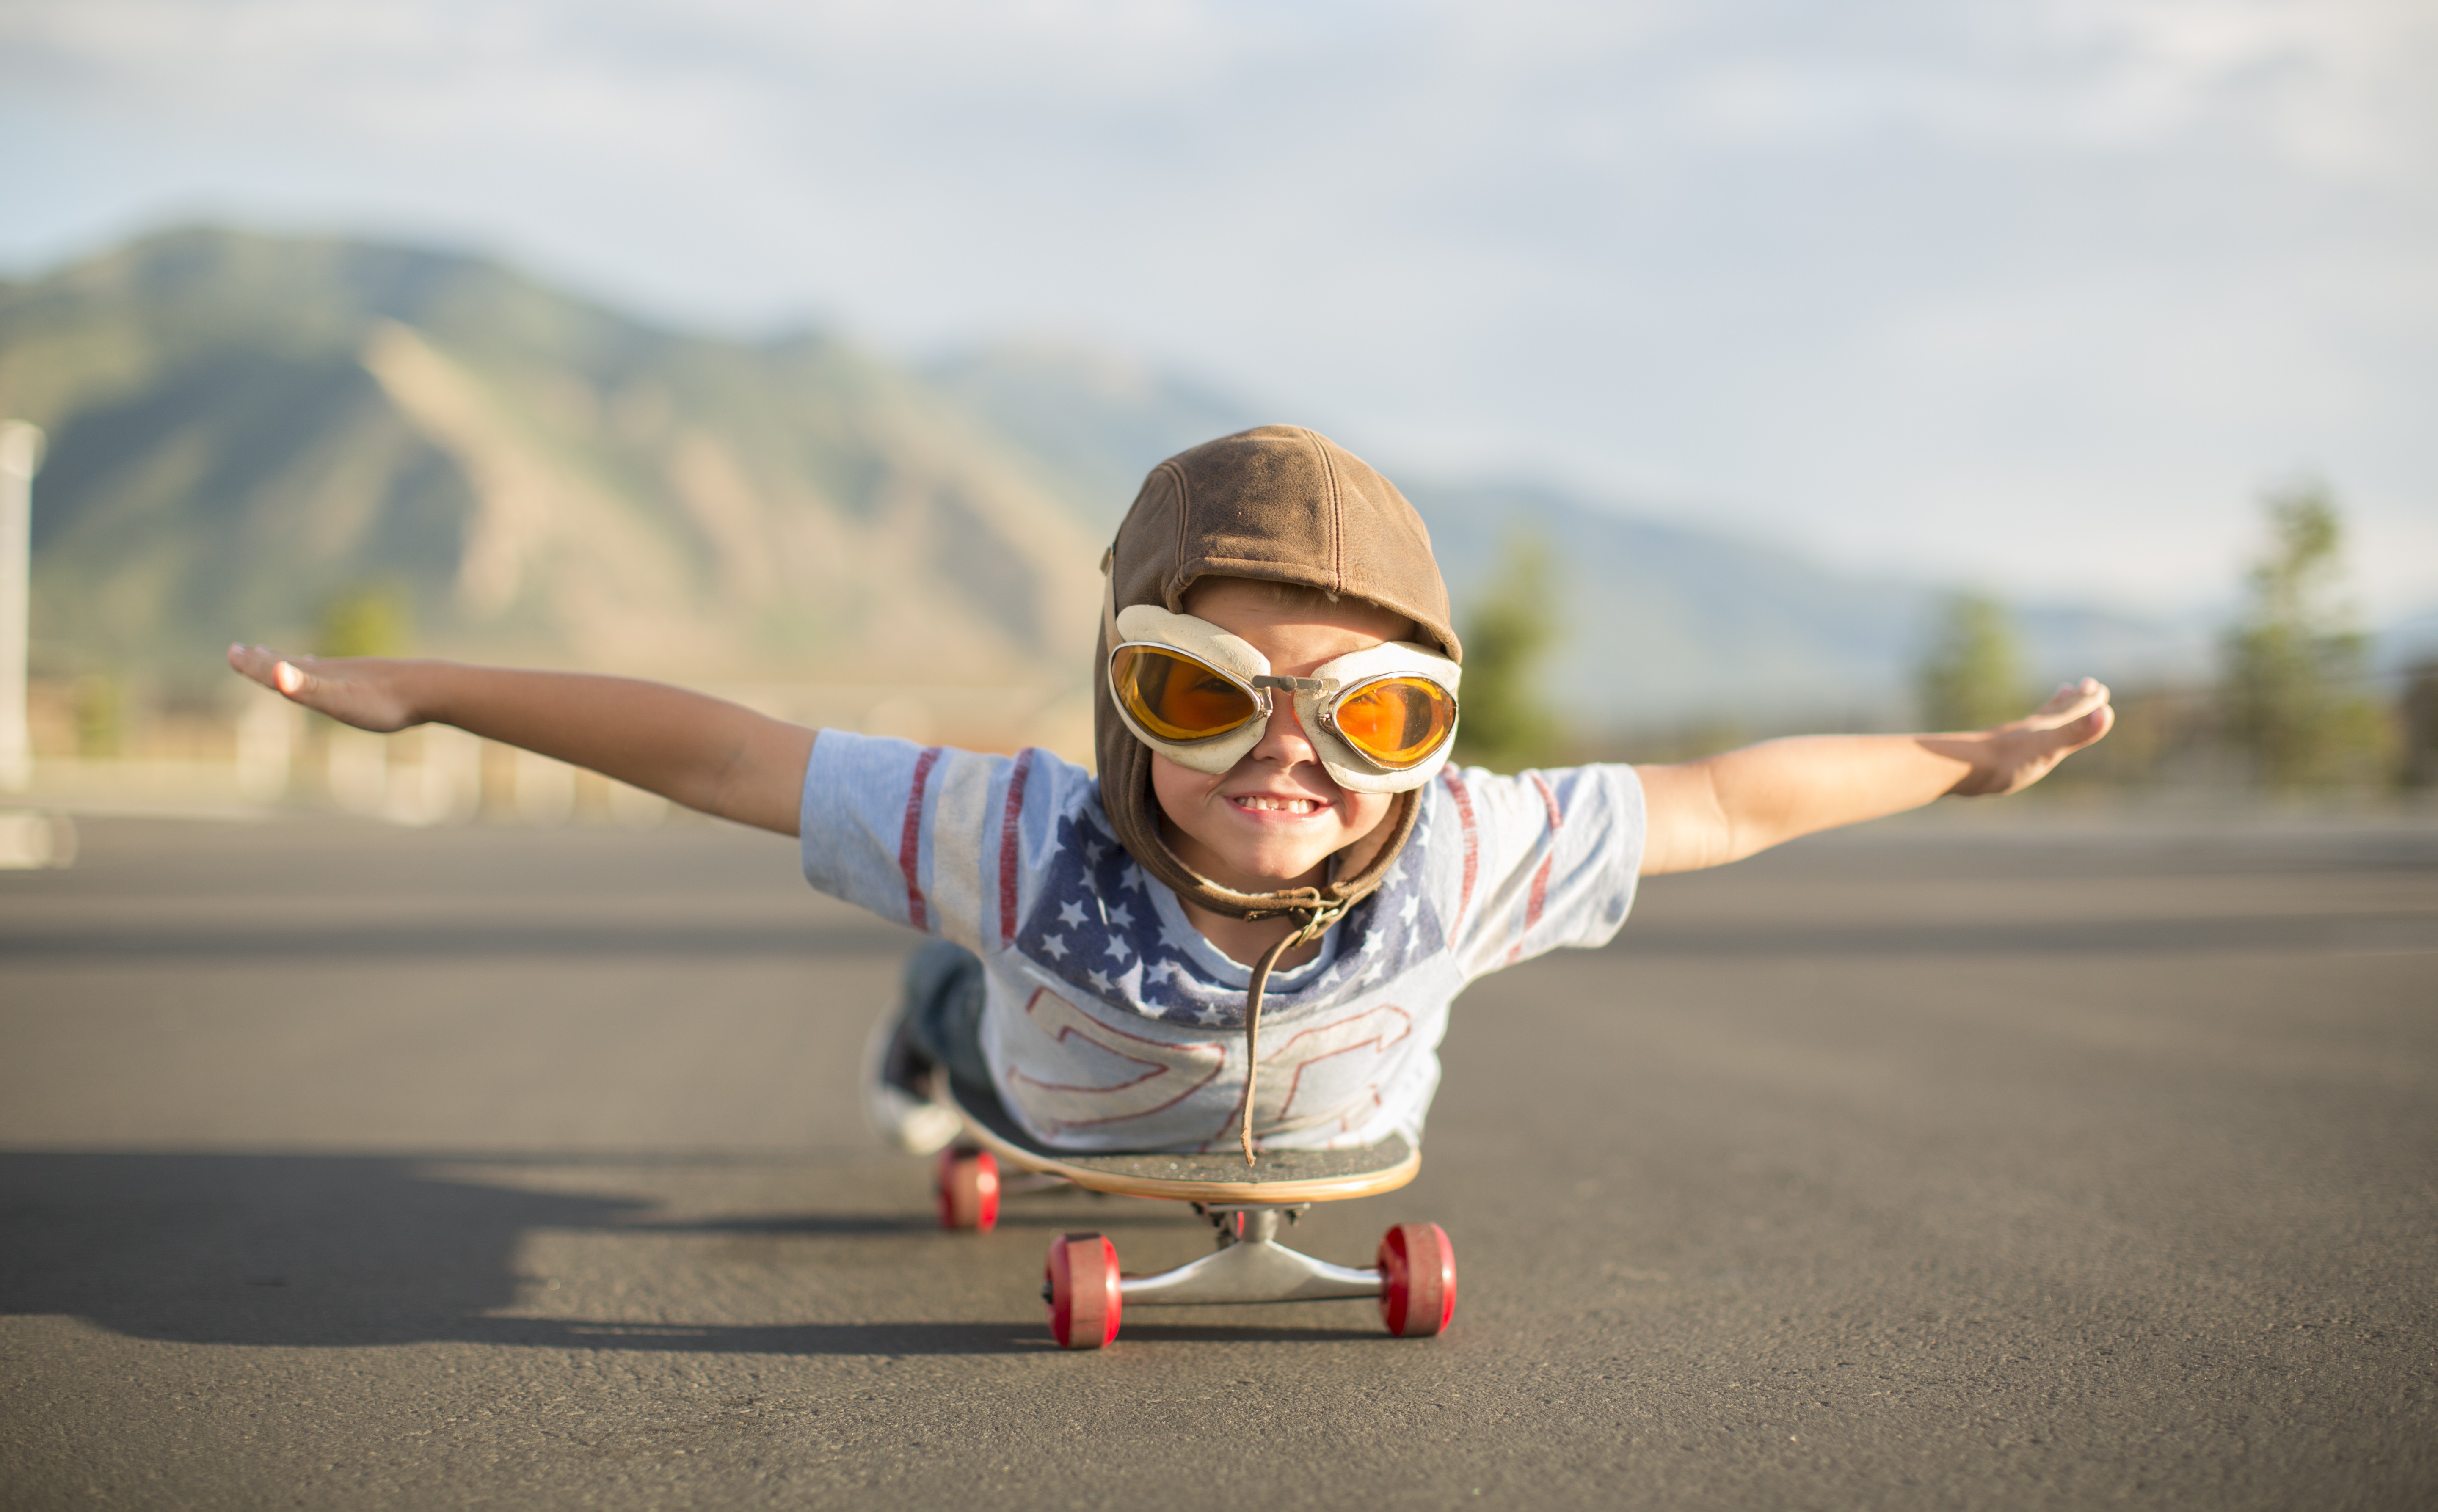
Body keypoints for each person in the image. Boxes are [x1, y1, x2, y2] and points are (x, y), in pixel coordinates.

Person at [229, 426, 2112, 1163]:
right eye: (1205, 694)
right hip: (1033, 1078)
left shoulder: (1466, 850)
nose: (1284, 754)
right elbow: (722, 747)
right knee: (963, 972)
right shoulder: (1020, 837)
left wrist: (1968, 760)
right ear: (1126, 707)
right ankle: (922, 1021)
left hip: (1303, 1125)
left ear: (1430, 733)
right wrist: (436, 696)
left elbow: (1722, 800)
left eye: (1369, 718)